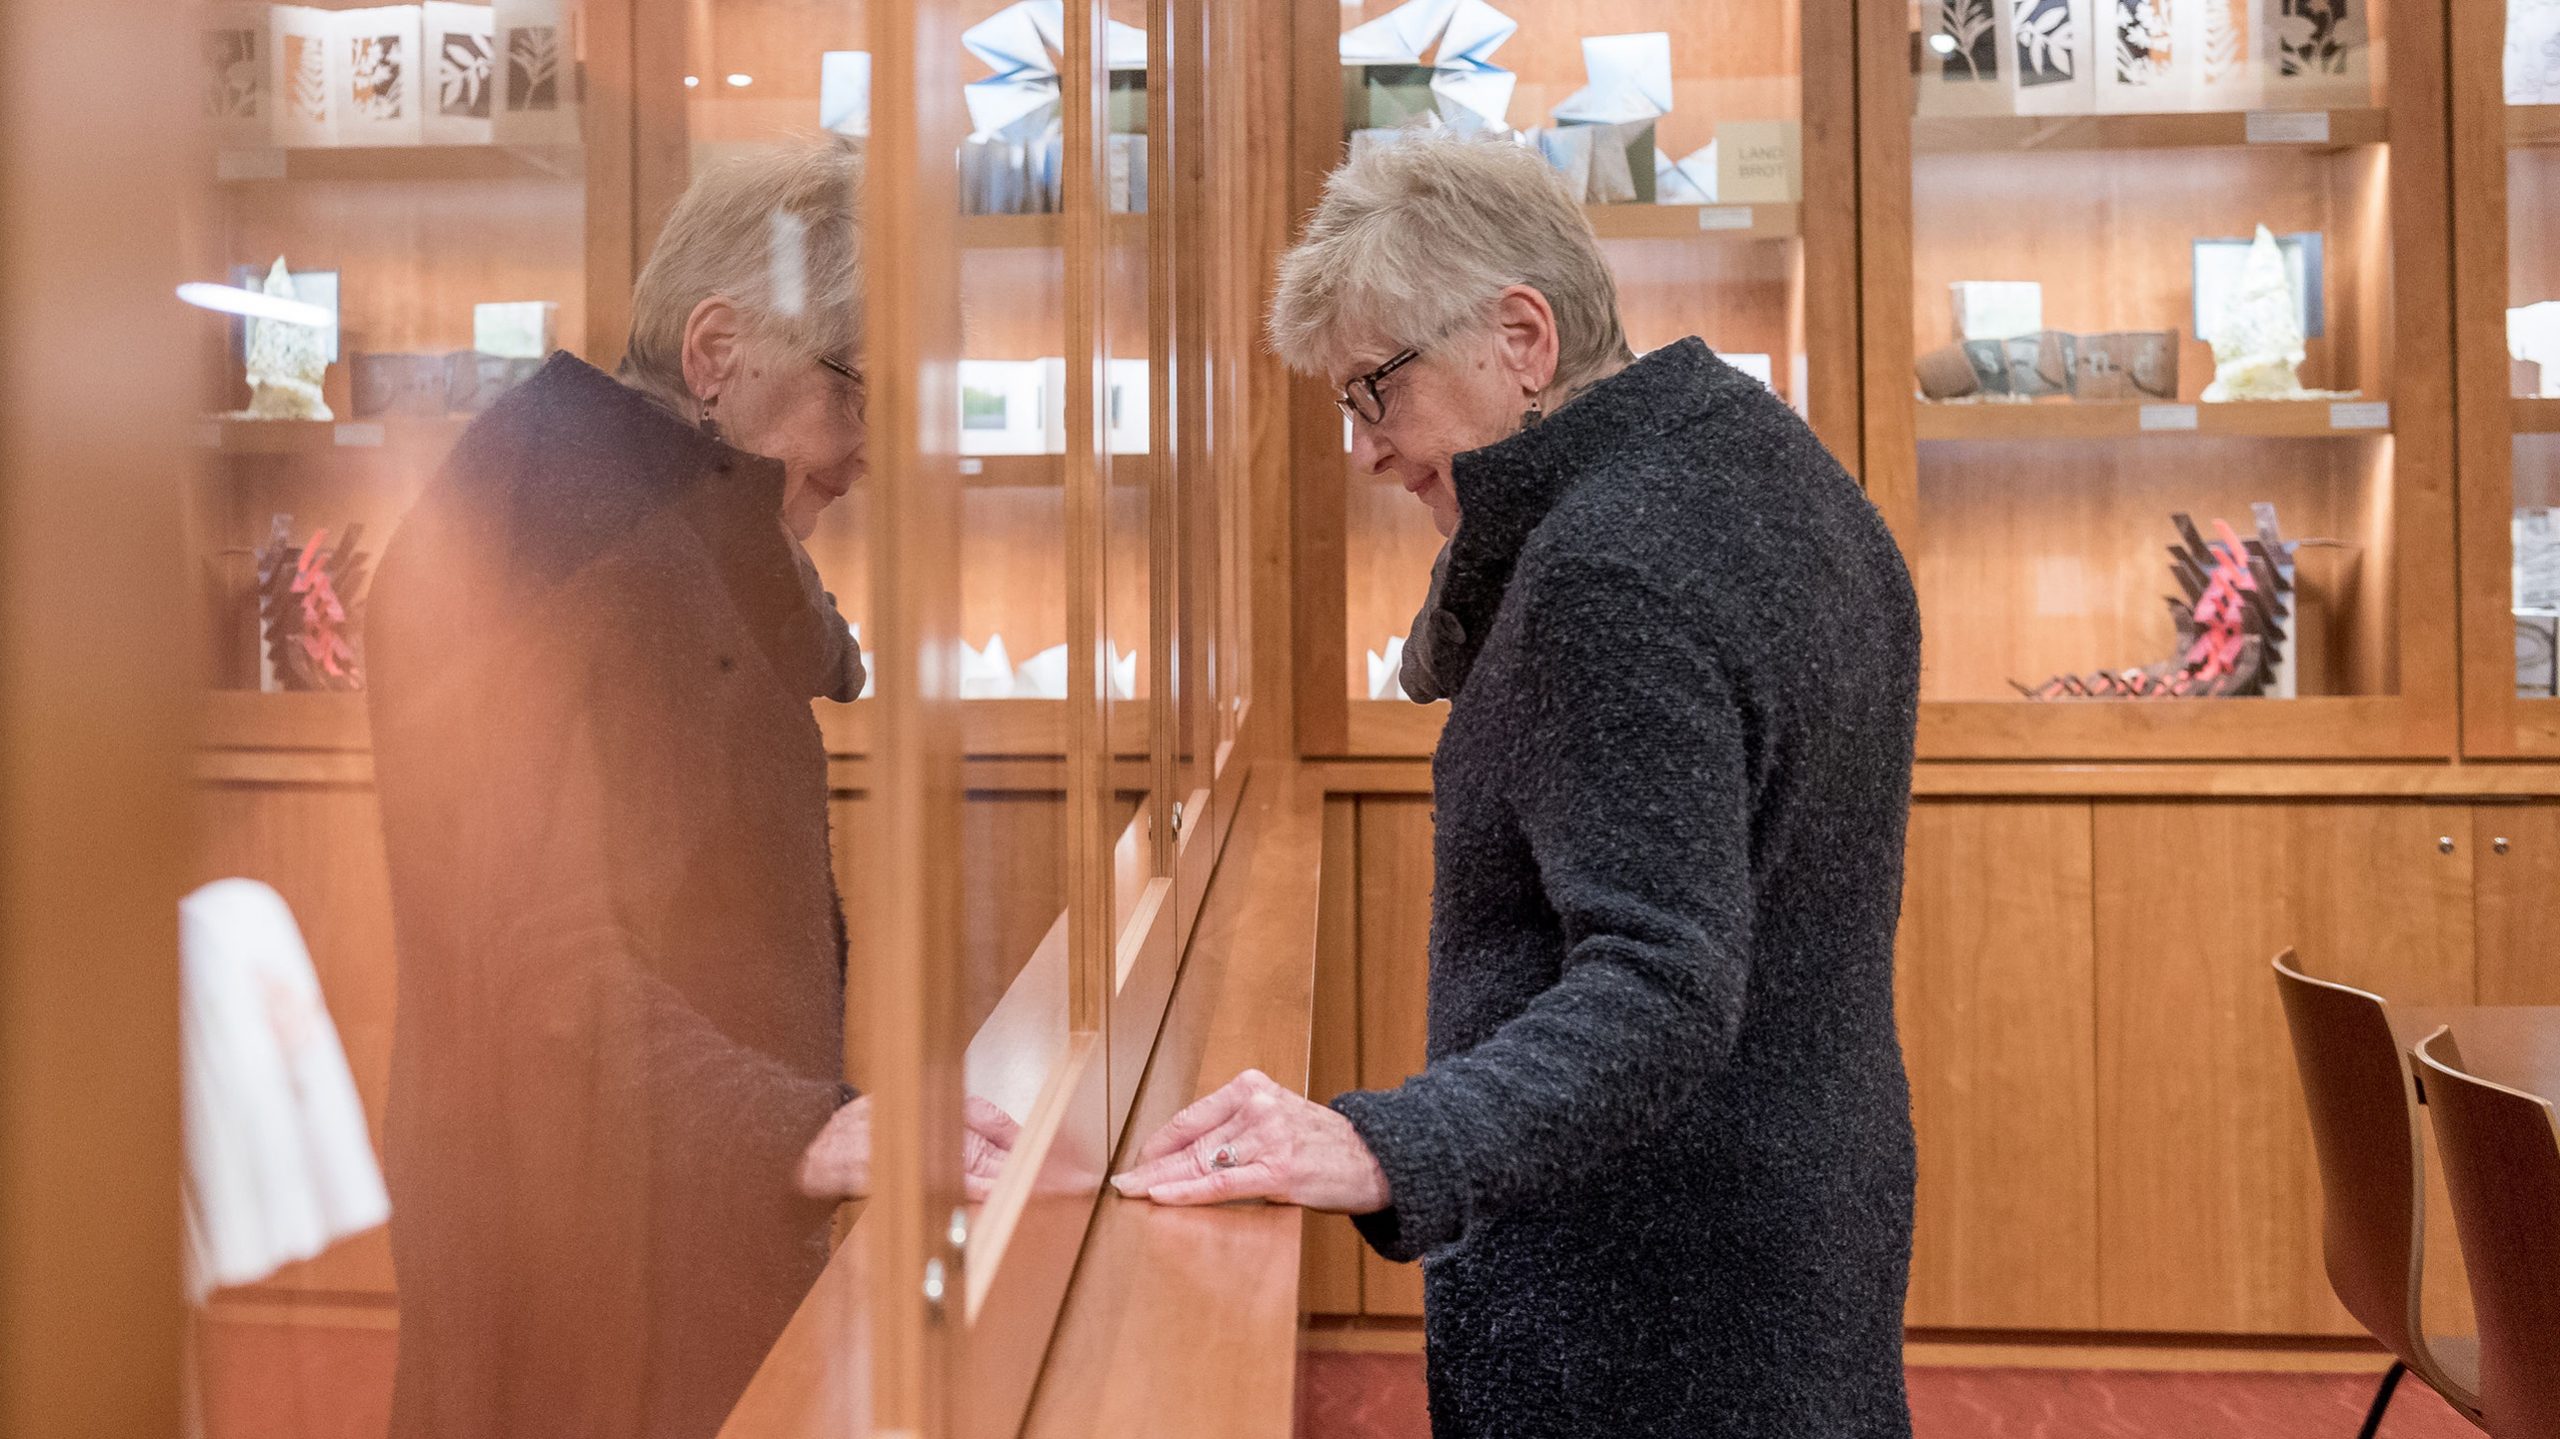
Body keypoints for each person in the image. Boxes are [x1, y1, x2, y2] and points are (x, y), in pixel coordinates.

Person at [1112, 130, 1923, 1437]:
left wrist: (1392, 1144)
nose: (1365, 452)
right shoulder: (1769, 472)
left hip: (1644, 1288)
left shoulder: (1608, 568)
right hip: (1796, 1212)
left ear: (1523, 338)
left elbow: (1659, 983)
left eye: (1377, 392)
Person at [366, 138, 1012, 1439]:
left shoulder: (655, 498)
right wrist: (806, 1127)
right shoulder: (575, 533)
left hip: (637, 1202)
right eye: (861, 397)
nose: (874, 454)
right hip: (589, 1255)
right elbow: (548, 982)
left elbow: (826, 659)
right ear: (715, 352)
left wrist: (778, 495)